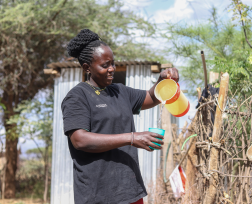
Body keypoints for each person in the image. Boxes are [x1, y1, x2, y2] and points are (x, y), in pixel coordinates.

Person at [61, 29, 179, 204]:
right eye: (105, 65)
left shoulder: (120, 91)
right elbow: (80, 140)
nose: (112, 69)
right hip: (98, 195)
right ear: (87, 68)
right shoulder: (77, 97)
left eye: (113, 64)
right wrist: (131, 137)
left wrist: (163, 80)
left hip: (130, 192)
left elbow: (152, 96)